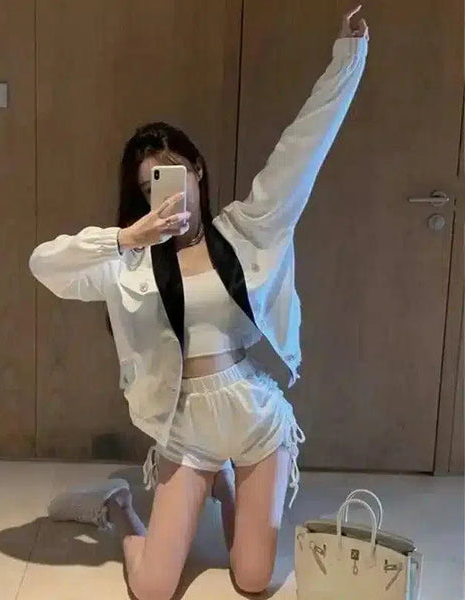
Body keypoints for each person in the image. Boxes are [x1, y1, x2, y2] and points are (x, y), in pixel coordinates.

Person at [29, 7, 368, 599]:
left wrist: (348, 57)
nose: (164, 194)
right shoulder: (127, 263)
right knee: (153, 590)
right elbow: (43, 264)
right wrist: (125, 238)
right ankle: (119, 506)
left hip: (254, 419)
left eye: (173, 174)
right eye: (148, 187)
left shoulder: (247, 230)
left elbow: (303, 147)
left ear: (198, 171)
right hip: (186, 428)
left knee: (253, 579)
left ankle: (227, 482)